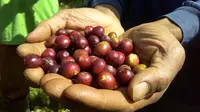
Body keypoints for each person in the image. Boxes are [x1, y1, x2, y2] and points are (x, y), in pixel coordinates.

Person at [6, 0, 200, 111]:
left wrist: (181, 22)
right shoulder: (92, 52)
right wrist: (105, 6)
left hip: (191, 72)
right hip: (128, 29)